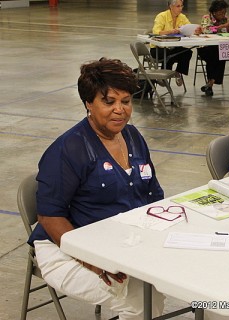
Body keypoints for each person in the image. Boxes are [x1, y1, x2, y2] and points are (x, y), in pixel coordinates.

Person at [27, 58, 166, 319]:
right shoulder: (69, 149)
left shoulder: (133, 136)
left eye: (126, 101)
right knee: (137, 298)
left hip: (120, 241)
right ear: (89, 103)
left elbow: (153, 195)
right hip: (66, 249)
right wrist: (90, 259)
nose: (120, 110)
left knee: (174, 282)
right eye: (109, 102)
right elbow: (50, 216)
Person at [198, 0, 229, 96]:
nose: (223, 14)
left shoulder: (224, 19)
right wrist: (221, 27)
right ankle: (210, 83)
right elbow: (206, 30)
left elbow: (228, 33)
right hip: (205, 47)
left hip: (218, 48)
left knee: (221, 53)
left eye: (224, 12)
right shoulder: (206, 18)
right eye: (221, 13)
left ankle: (210, 84)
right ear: (214, 12)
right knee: (218, 54)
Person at [150, 0, 193, 86]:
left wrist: (195, 30)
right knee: (170, 53)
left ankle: (178, 72)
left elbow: (189, 28)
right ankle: (163, 77)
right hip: (158, 48)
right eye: (178, 6)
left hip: (173, 47)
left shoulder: (182, 17)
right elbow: (156, 32)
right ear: (171, 6)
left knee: (187, 52)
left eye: (181, 6)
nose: (180, 8)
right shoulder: (161, 16)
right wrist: (170, 31)